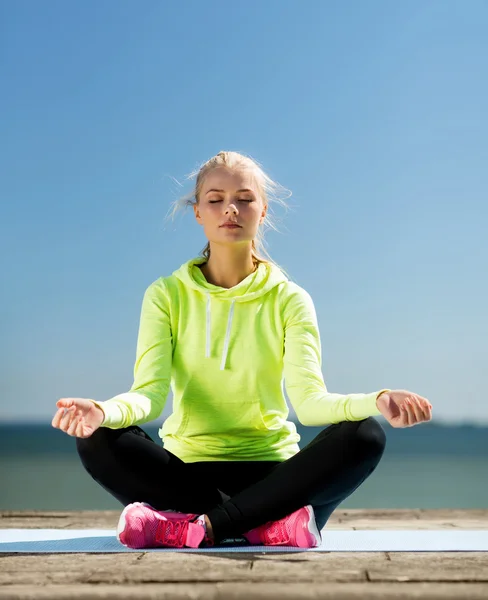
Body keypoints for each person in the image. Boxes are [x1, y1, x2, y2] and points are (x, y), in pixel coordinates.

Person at [51, 150, 433, 550]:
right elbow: (148, 395)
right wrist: (103, 411)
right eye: (215, 199)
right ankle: (260, 527)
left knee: (366, 435)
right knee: (97, 438)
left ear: (263, 210)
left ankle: (196, 527)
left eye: (245, 199)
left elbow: (310, 403)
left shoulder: (290, 299)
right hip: (186, 475)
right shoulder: (165, 294)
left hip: (276, 480)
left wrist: (379, 400)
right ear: (197, 212)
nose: (230, 209)